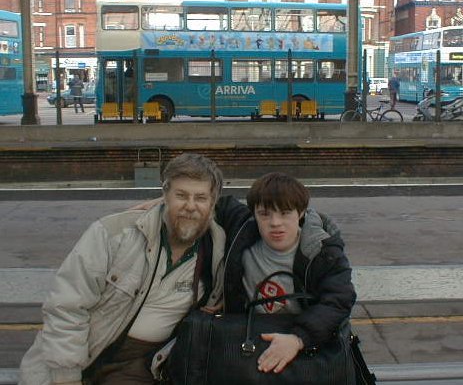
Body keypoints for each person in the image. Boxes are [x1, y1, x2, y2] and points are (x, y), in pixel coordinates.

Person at [19, 153, 226, 385]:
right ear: (165, 195)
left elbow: (264, 214)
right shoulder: (114, 234)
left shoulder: (217, 249)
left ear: (213, 202)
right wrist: (67, 377)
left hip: (145, 365)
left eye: (200, 197)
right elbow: (66, 307)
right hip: (84, 358)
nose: (190, 206)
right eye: (181, 195)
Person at [214, 172, 356, 375]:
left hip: (305, 346)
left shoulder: (322, 252)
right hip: (249, 343)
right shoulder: (242, 232)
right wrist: (163, 201)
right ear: (253, 213)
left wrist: (298, 339)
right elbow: (203, 201)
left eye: (285, 213)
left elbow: (338, 300)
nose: (275, 223)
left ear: (300, 213)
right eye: (265, 214)